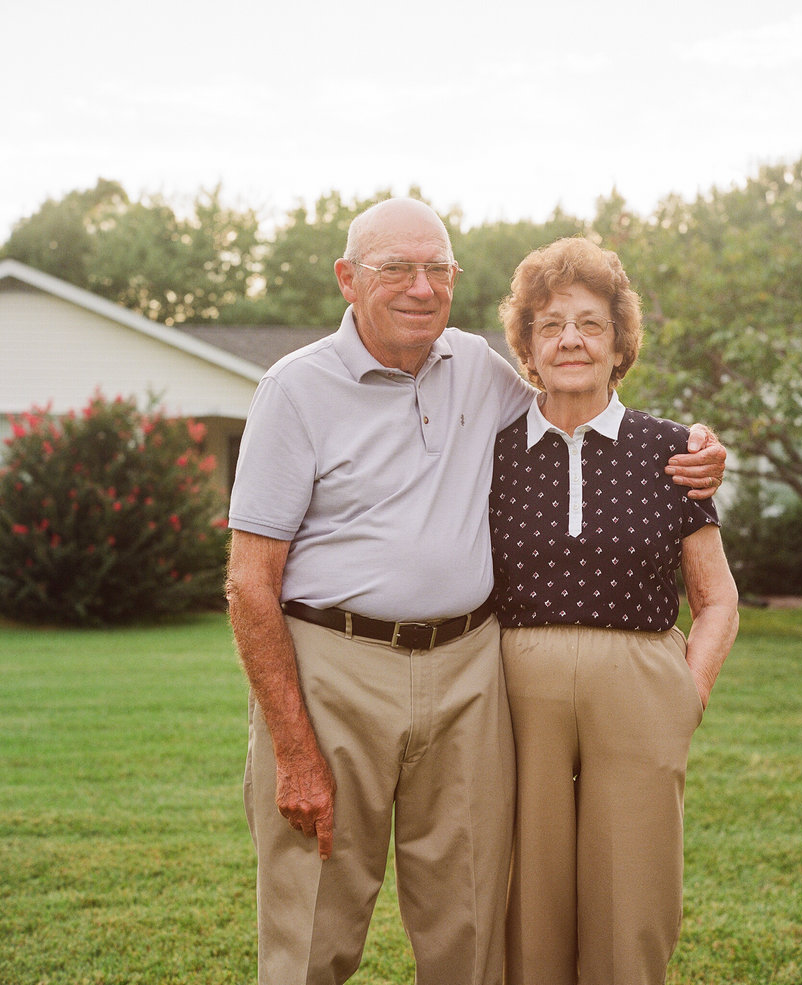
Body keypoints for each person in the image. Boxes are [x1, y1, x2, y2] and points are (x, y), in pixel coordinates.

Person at [225, 198, 727, 985]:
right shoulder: (295, 390)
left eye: (438, 269)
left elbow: (580, 412)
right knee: (314, 926)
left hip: (466, 674)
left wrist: (698, 450)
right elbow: (250, 583)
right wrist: (293, 749)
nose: (421, 287)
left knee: (469, 924)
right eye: (397, 268)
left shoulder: (480, 371)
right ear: (348, 279)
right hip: (335, 669)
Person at [490, 237, 740, 985]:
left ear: (618, 340)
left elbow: (717, 597)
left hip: (640, 687)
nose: (571, 338)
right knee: (523, 896)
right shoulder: (489, 449)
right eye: (551, 324)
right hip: (513, 689)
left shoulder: (673, 451)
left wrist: (687, 692)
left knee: (633, 895)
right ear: (527, 346)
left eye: (590, 323)